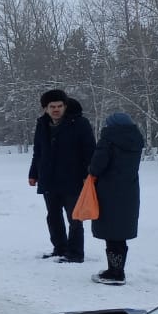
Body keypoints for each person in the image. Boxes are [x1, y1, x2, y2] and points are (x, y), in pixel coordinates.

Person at [28, 88, 96, 263]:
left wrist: (87, 174)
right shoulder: (42, 123)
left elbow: (89, 151)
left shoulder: (80, 123)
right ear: (45, 108)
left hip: (72, 179)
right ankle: (59, 248)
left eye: (59, 106)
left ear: (65, 106)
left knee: (74, 217)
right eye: (52, 106)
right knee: (53, 216)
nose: (56, 109)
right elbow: (38, 151)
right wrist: (33, 173)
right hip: (48, 178)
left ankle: (75, 253)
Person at [87, 111, 143, 285]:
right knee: (120, 233)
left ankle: (115, 273)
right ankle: (117, 269)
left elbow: (96, 167)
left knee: (111, 232)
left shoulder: (108, 141)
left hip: (108, 192)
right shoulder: (136, 141)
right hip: (129, 191)